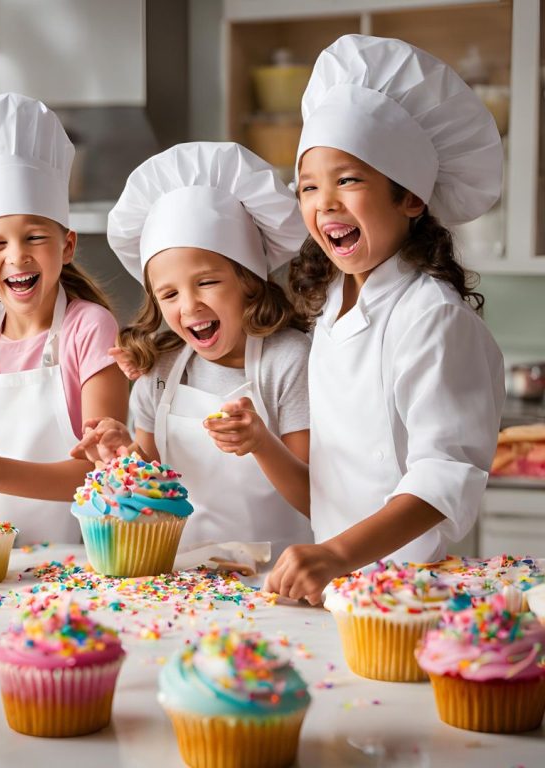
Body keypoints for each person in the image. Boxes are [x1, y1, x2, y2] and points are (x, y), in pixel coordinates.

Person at [262, 34, 506, 601]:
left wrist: (336, 554)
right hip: (338, 586)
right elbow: (331, 480)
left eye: (348, 179)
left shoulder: (433, 319)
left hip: (414, 593)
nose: (324, 204)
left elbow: (443, 477)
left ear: (411, 198)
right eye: (308, 187)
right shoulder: (330, 309)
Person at [72, 142, 314, 553]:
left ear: (249, 281)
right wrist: (122, 456)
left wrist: (260, 443)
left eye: (207, 282)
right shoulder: (160, 370)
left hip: (279, 578)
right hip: (183, 577)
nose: (189, 306)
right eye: (168, 294)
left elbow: (317, 499)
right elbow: (152, 487)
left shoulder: (288, 360)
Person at [0, 93, 128, 545]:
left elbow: (105, 475)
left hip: (74, 563)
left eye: (35, 236)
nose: (18, 256)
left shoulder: (88, 329)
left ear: (67, 245)